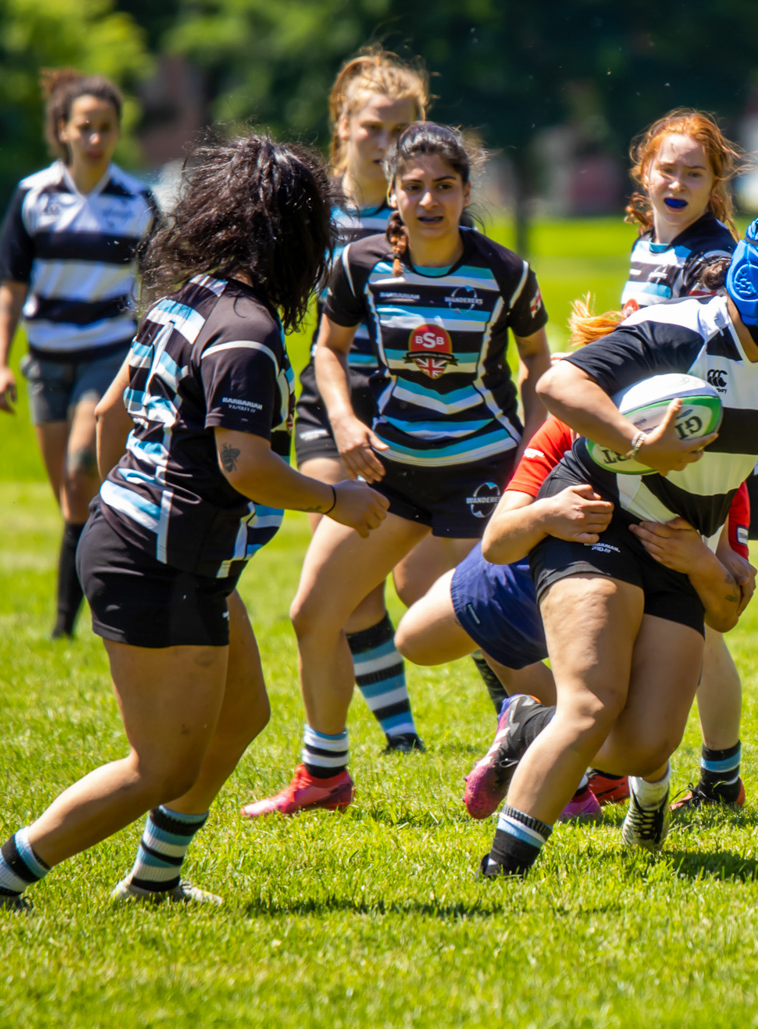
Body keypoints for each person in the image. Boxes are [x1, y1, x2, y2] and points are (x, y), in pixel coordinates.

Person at [0, 136, 389, 912]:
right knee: (159, 765)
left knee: (243, 713)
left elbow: (111, 412)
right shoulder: (247, 333)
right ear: (289, 236)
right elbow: (244, 464)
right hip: (161, 560)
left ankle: (154, 878)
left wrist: (127, 494)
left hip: (160, 545)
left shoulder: (187, 298)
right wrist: (335, 501)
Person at [466, 211, 758, 878]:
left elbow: (718, 484)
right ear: (753, 284)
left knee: (642, 747)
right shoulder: (677, 327)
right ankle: (503, 870)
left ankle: (526, 726)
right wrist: (639, 444)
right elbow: (556, 384)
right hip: (597, 520)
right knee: (592, 704)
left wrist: (711, 556)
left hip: (674, 547)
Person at [241, 122, 552, 818]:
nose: (429, 199)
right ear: (394, 192)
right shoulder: (360, 264)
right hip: (393, 472)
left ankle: (588, 763)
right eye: (414, 186)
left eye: (445, 186)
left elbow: (540, 367)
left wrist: (533, 458)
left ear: (467, 192)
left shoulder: (504, 272)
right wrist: (346, 422)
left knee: (497, 627)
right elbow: (327, 350)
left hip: (483, 476)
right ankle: (324, 776)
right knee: (314, 612)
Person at [290, 47, 441, 754]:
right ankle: (401, 735)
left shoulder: (429, 206)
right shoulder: (310, 210)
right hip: (329, 402)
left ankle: (517, 710)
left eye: (402, 129)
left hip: (413, 405)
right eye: (373, 127)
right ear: (342, 125)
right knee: (342, 575)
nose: (386, 143)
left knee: (425, 583)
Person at [617, 109, 758, 810]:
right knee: (678, 612)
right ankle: (709, 773)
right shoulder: (651, 243)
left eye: (693, 173)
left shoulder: (715, 258)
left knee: (696, 614)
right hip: (654, 452)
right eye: (666, 169)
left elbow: (694, 359)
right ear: (644, 171)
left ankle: (721, 777)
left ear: (714, 185)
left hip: (705, 460)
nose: (677, 182)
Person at [0, 69, 156, 639]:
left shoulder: (137, 201)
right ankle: (65, 622)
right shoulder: (34, 195)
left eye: (105, 128)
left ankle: (90, 617)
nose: (95, 138)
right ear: (62, 129)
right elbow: (11, 285)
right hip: (45, 361)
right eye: (84, 127)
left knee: (85, 470)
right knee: (69, 496)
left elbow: (157, 286)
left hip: (107, 356)